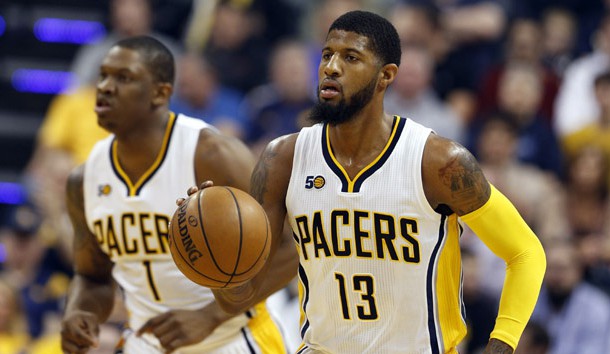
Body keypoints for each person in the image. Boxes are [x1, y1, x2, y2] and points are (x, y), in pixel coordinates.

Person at [183, 11, 546, 353]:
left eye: (350, 58)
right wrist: (213, 243)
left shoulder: (438, 162)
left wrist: (501, 343)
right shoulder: (283, 159)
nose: (331, 68)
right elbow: (241, 295)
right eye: (326, 55)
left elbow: (526, 253)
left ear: (386, 76)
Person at [60, 36, 286, 354]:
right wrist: (79, 311)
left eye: (123, 78)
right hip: (147, 342)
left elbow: (291, 245)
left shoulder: (211, 154)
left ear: (160, 93)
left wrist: (210, 316)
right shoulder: (83, 179)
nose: (106, 87)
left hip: (230, 338)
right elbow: (92, 276)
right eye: (103, 76)